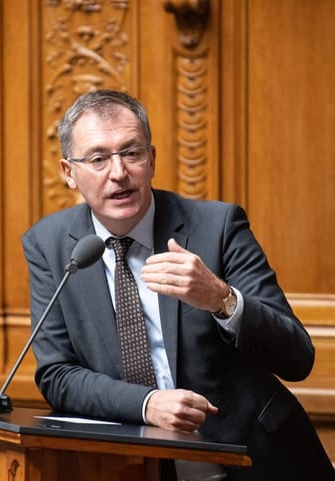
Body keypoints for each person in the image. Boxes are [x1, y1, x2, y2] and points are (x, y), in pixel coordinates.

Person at [22, 89, 335, 481]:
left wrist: (222, 299)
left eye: (132, 153)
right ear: (69, 172)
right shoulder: (49, 245)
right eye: (99, 158)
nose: (119, 172)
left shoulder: (217, 227)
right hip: (138, 470)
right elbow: (58, 375)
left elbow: (298, 356)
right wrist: (147, 403)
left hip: (259, 462)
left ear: (151, 160)